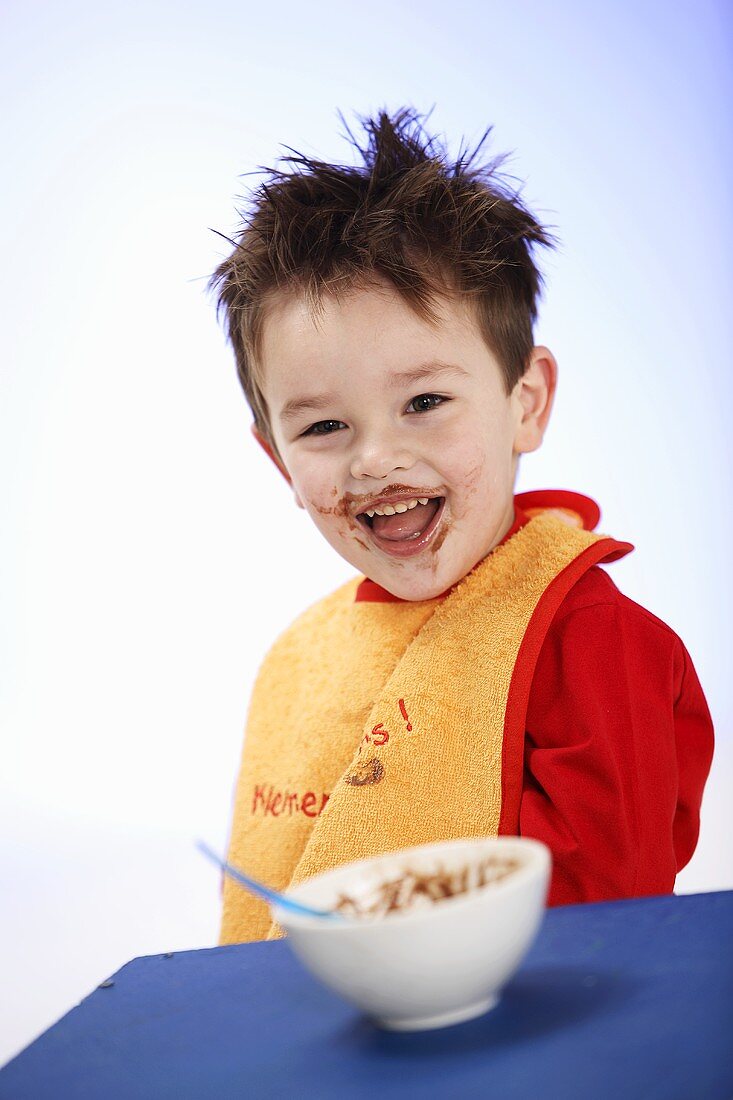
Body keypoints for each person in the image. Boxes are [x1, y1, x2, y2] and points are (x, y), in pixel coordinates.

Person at [207, 107, 714, 944]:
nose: (375, 459)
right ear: (278, 462)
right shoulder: (300, 663)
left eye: (425, 403)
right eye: (323, 427)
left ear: (526, 402)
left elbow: (610, 920)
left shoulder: (587, 640)